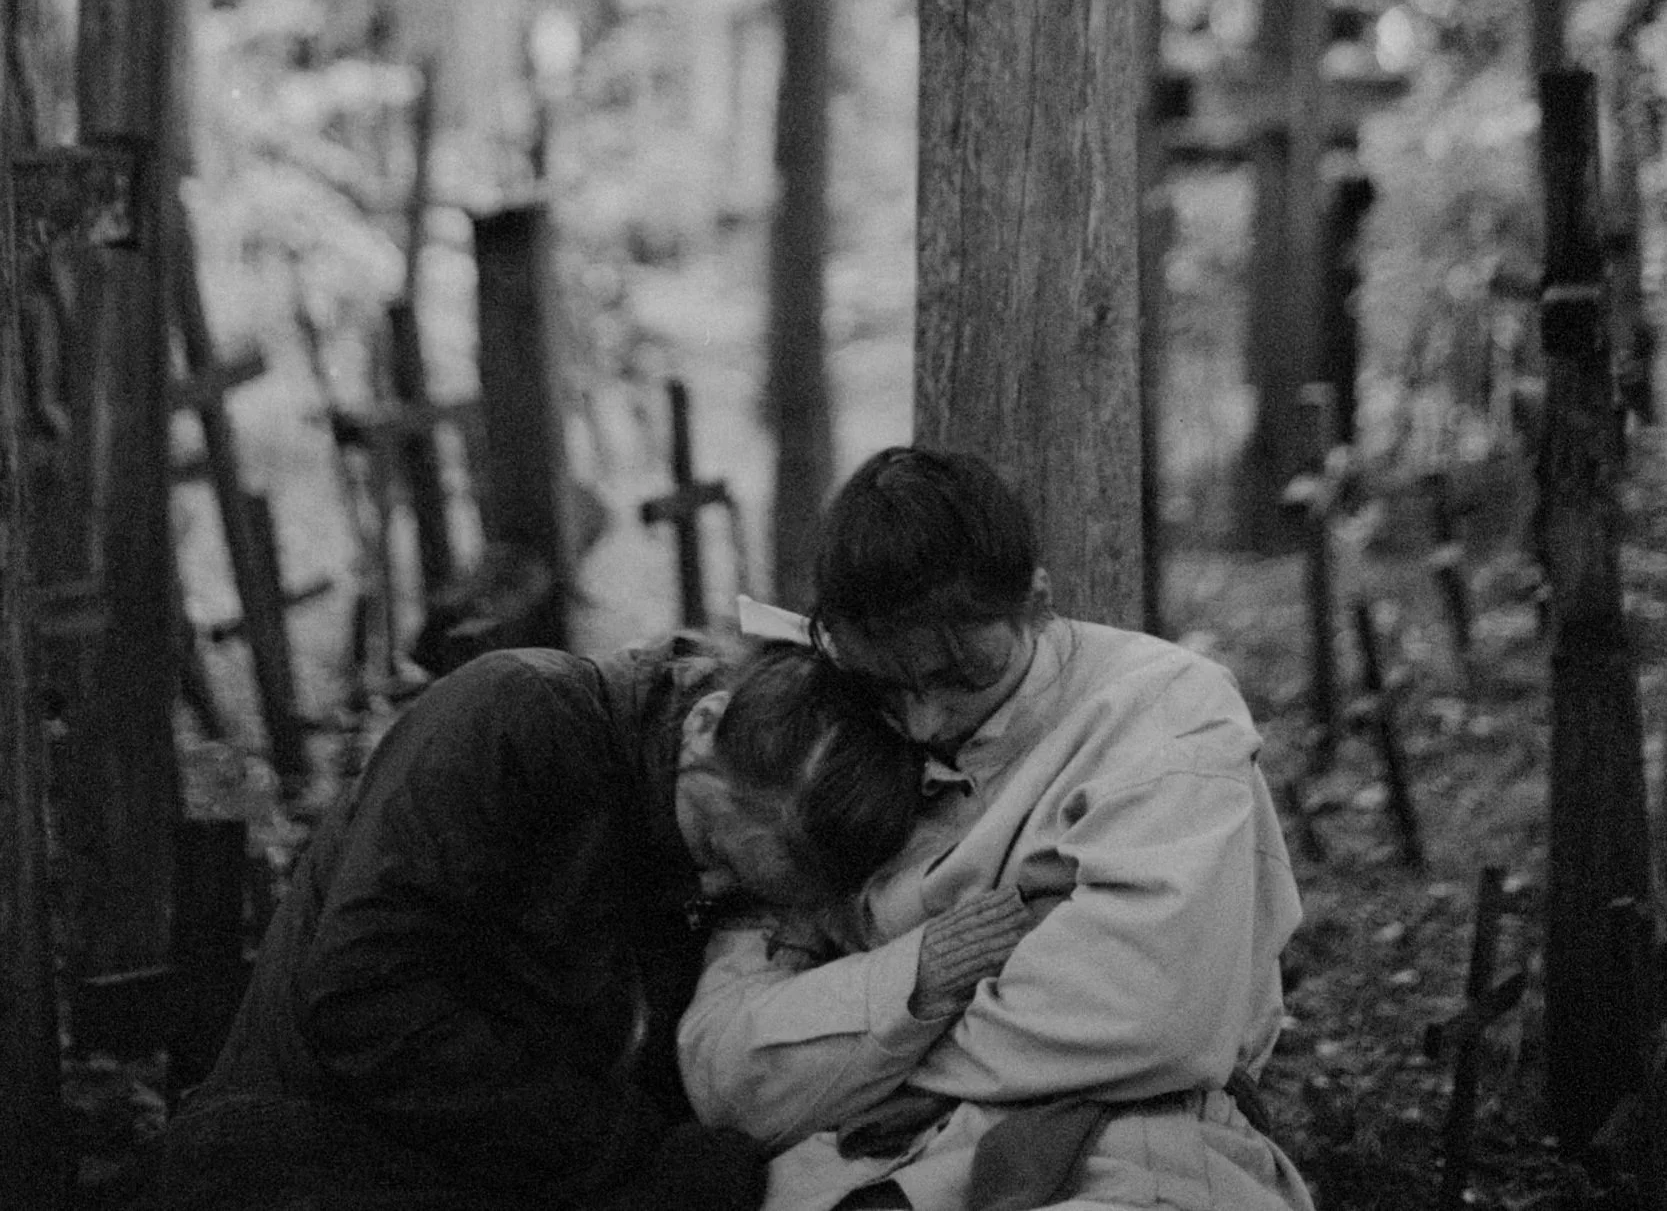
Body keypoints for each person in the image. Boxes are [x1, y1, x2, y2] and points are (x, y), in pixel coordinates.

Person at [679, 448, 1316, 1211]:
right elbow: (727, 1071)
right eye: (888, 684)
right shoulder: (819, 741)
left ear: (1037, 604)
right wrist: (922, 978)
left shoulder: (1165, 712)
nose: (921, 720)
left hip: (1127, 1148)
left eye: (961, 677)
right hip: (855, 1167)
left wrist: (850, 1057)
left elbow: (1153, 1021)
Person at [146, 636, 925, 1211]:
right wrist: (631, 1151)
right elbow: (362, 1000)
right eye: (712, 848)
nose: (708, 885)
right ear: (703, 722)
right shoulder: (516, 719)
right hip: (297, 1157)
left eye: (740, 888)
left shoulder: (676, 831)